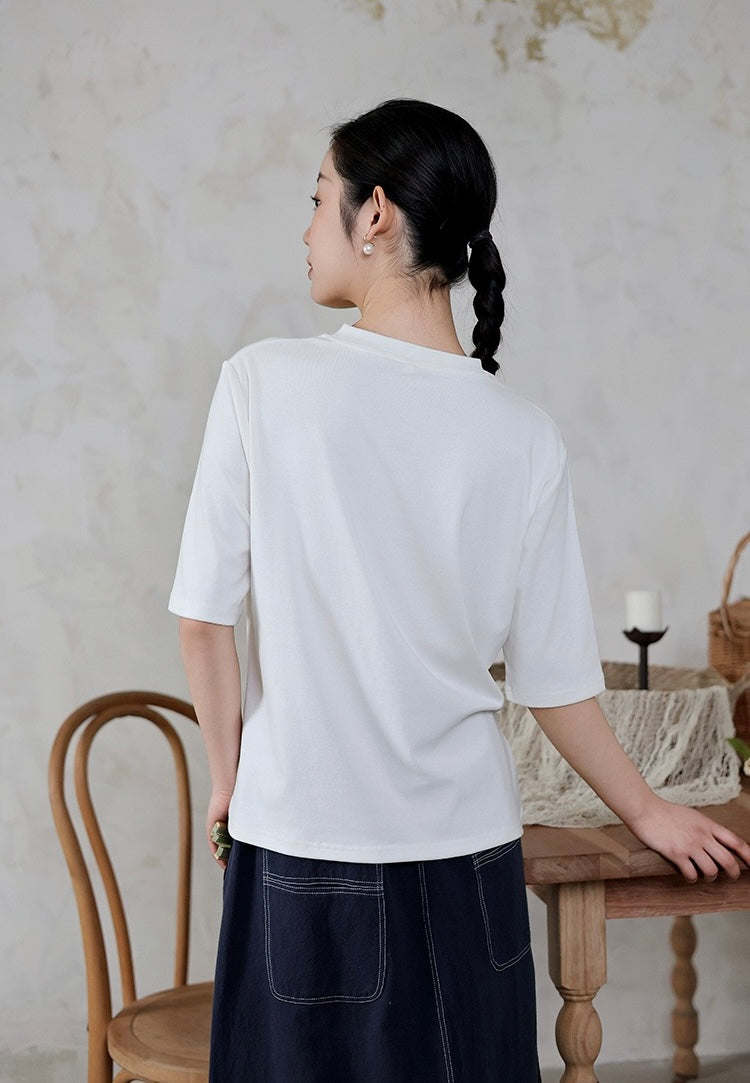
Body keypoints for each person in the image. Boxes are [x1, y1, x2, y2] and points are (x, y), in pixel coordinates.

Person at [169, 99, 750, 1083]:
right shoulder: (522, 434)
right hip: (469, 866)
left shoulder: (262, 384)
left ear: (375, 213)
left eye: (317, 199)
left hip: (304, 848)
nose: (306, 229)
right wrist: (648, 812)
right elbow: (556, 684)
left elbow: (203, 620)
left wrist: (230, 782)